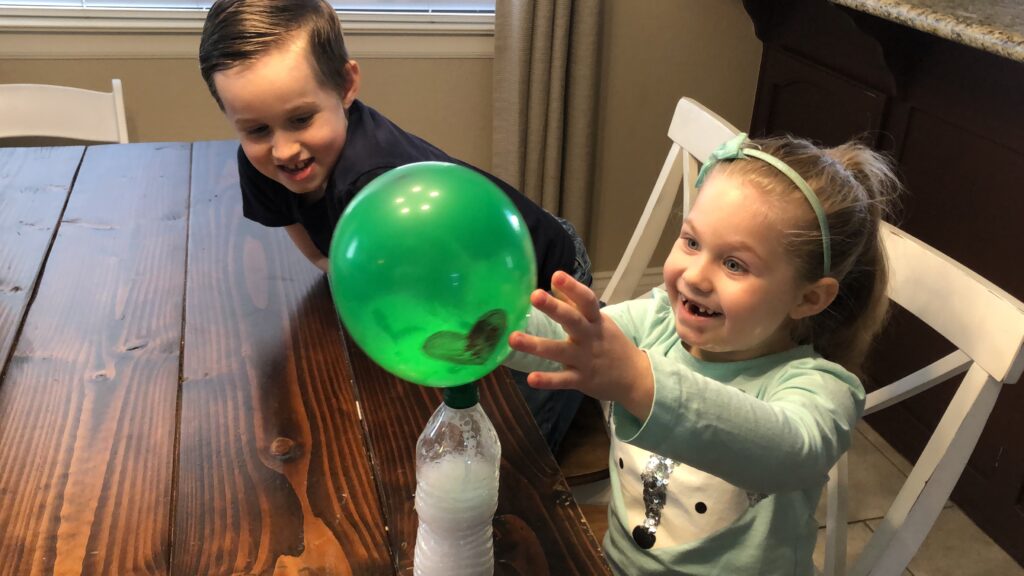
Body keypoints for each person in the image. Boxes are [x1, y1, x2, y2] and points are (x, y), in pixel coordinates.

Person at [197, 0, 591, 452]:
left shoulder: (373, 181)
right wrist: (330, 265)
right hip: (450, 276)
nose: (283, 149)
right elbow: (299, 228)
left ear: (346, 85)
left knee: (510, 453)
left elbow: (459, 294)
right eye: (257, 130)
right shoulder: (264, 163)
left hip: (544, 282)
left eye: (301, 119)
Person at [506, 132, 902, 575]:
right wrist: (485, 321)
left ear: (808, 299)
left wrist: (640, 382)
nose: (695, 276)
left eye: (734, 264)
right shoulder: (657, 320)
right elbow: (564, 338)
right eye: (691, 242)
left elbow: (792, 450)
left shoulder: (820, 386)